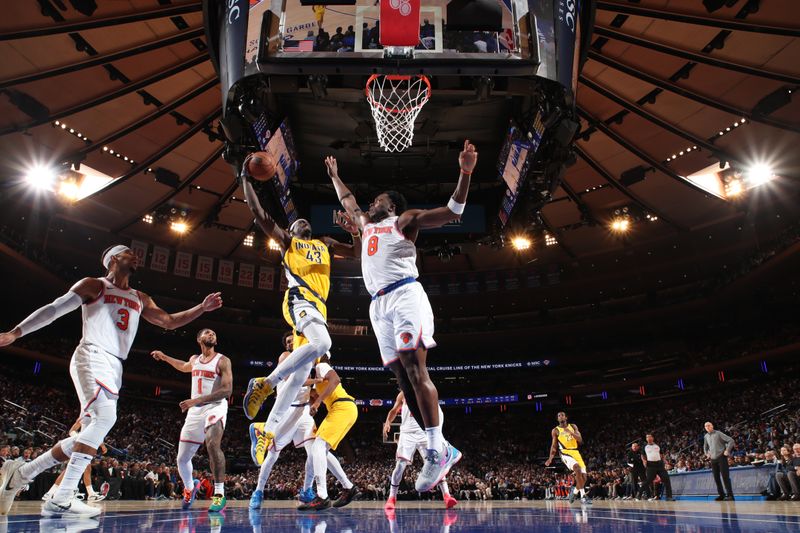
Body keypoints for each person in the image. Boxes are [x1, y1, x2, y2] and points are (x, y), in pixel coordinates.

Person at [0, 245, 222, 517]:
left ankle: (22, 473)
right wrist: (16, 332)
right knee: (105, 419)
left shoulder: (140, 297)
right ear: (114, 259)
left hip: (114, 365)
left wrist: (202, 307)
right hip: (91, 354)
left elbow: (168, 321)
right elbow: (54, 309)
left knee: (92, 429)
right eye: (129, 252)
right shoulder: (94, 285)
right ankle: (62, 496)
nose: (136, 255)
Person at [325, 139, 478, 492]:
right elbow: (347, 201)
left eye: (377, 200)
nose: (370, 203)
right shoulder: (365, 226)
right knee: (401, 378)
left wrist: (465, 172)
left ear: (391, 205)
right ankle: (441, 447)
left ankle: (437, 449)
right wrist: (335, 175)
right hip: (378, 305)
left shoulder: (405, 220)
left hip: (405, 294)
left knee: (414, 366)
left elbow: (453, 211)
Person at [240, 169, 359, 453]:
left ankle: (265, 430)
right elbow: (261, 215)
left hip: (319, 308)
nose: (302, 221)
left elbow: (356, 254)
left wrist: (354, 233)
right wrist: (245, 180)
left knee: (296, 380)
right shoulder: (288, 242)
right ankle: (265, 383)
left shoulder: (325, 244)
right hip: (299, 300)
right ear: (291, 231)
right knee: (324, 343)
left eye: (305, 221)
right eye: (297, 222)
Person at [249, 333, 353, 509]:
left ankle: (308, 490)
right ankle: (258, 491)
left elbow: (310, 391)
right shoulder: (286, 357)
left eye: (292, 340)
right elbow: (295, 381)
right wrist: (319, 380)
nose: (290, 343)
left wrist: (316, 399)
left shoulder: (309, 359)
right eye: (288, 341)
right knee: (273, 453)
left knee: (317, 449)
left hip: (304, 412)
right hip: (286, 410)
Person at [151, 328, 233, 513]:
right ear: (199, 339)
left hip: (215, 406)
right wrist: (164, 357)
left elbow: (227, 391)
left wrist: (195, 400)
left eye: (213, 333)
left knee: (212, 444)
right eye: (207, 333)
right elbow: (183, 366)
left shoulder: (222, 360)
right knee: (182, 459)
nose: (211, 334)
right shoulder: (195, 360)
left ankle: (219, 494)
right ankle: (189, 488)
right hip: (195, 412)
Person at [296, 354, 358, 511]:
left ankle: (322, 496)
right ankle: (348, 487)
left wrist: (316, 402)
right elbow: (313, 393)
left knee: (317, 447)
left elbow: (335, 380)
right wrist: (313, 398)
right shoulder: (318, 376)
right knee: (320, 450)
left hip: (342, 407)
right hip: (341, 409)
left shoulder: (321, 366)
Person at [382, 391, 457, 510]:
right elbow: (394, 410)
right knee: (400, 466)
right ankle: (392, 497)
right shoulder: (403, 394)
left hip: (424, 433)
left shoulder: (425, 390)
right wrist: (387, 422)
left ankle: (447, 496)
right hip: (407, 434)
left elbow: (437, 413)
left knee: (435, 464)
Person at [41, 419, 108, 503]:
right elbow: (72, 431)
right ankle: (51, 492)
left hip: (87, 446)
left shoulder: (97, 419)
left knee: (86, 469)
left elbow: (96, 435)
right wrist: (79, 437)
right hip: (80, 445)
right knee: (74, 469)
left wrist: (102, 445)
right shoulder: (85, 416)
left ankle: (90, 494)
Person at [545, 412, 590, 504]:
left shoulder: (573, 426)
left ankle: (574, 492)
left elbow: (580, 440)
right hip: (565, 452)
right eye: (558, 416)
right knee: (577, 468)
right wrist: (550, 458)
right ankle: (583, 496)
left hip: (575, 452)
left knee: (584, 478)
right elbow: (554, 446)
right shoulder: (555, 430)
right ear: (557, 419)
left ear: (566, 417)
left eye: (562, 415)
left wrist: (571, 433)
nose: (560, 416)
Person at [703, 421, 735, 501]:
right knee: (716, 478)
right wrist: (707, 453)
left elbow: (731, 440)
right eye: (706, 426)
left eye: (709, 425)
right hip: (713, 459)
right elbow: (705, 447)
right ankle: (722, 495)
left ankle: (730, 495)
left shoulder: (718, 433)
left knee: (725, 477)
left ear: (712, 426)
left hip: (721, 457)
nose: (707, 427)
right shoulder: (706, 436)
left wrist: (727, 450)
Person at [642, 434, 674, 501]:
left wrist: (665, 461)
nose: (649, 438)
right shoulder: (644, 446)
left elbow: (661, 454)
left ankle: (669, 497)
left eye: (650, 437)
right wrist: (644, 462)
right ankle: (640, 493)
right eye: (647, 437)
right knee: (649, 480)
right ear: (646, 439)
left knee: (666, 479)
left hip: (659, 464)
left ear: (653, 438)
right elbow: (643, 456)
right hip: (650, 465)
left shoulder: (657, 445)